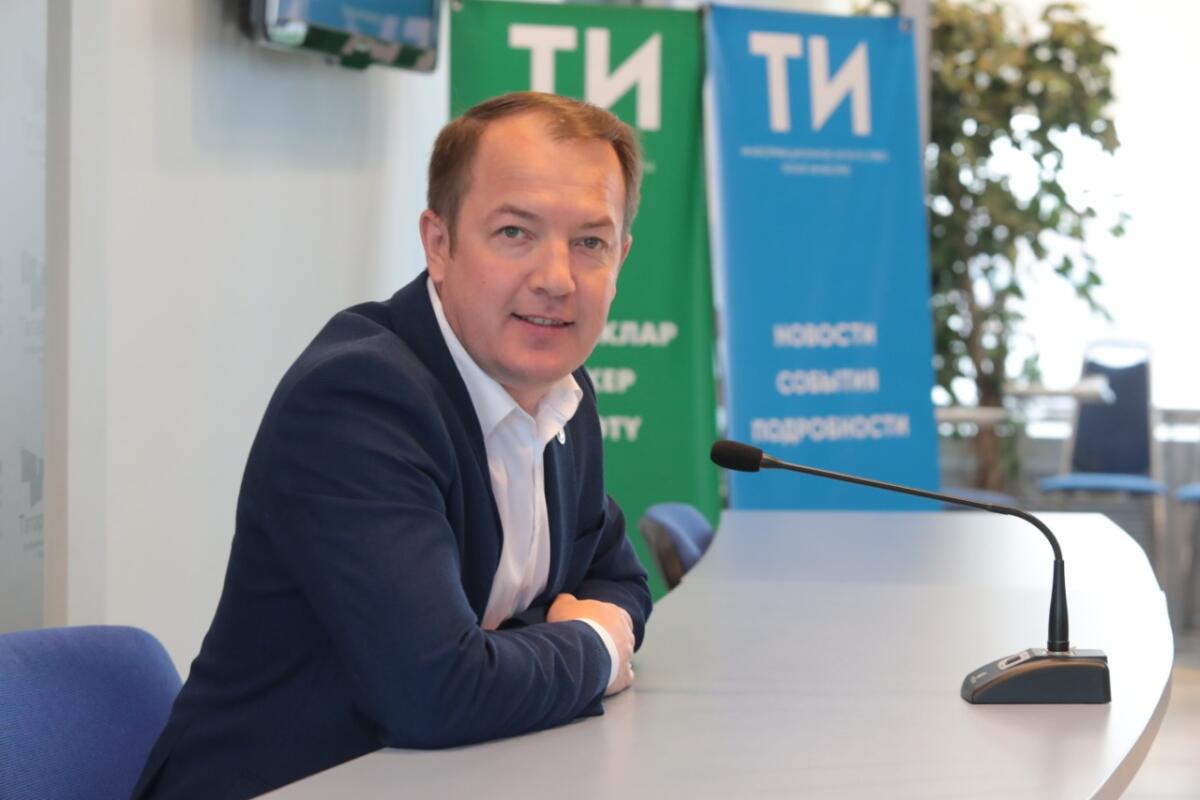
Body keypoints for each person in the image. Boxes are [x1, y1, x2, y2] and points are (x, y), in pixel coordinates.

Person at [131, 92, 653, 799]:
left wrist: (513, 654)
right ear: (439, 243)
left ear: (621, 258)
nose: (557, 279)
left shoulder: (563, 392)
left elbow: (618, 581)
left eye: (590, 243)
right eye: (515, 233)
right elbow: (437, 691)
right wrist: (594, 648)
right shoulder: (358, 400)